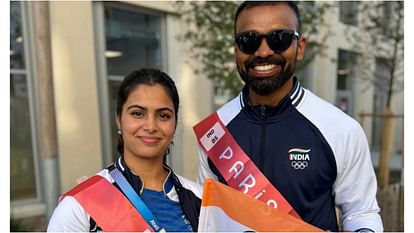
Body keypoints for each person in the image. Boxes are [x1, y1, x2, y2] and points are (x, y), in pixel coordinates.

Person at [196, 1, 383, 232]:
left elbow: (361, 212)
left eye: (279, 39)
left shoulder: (341, 129)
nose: (263, 52)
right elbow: (208, 216)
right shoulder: (215, 131)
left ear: (300, 47)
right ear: (236, 50)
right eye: (249, 41)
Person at [48, 68, 202, 232]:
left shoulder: (201, 199)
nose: (151, 126)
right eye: (137, 113)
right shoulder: (79, 206)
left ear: (175, 124)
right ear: (119, 120)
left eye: (163, 116)